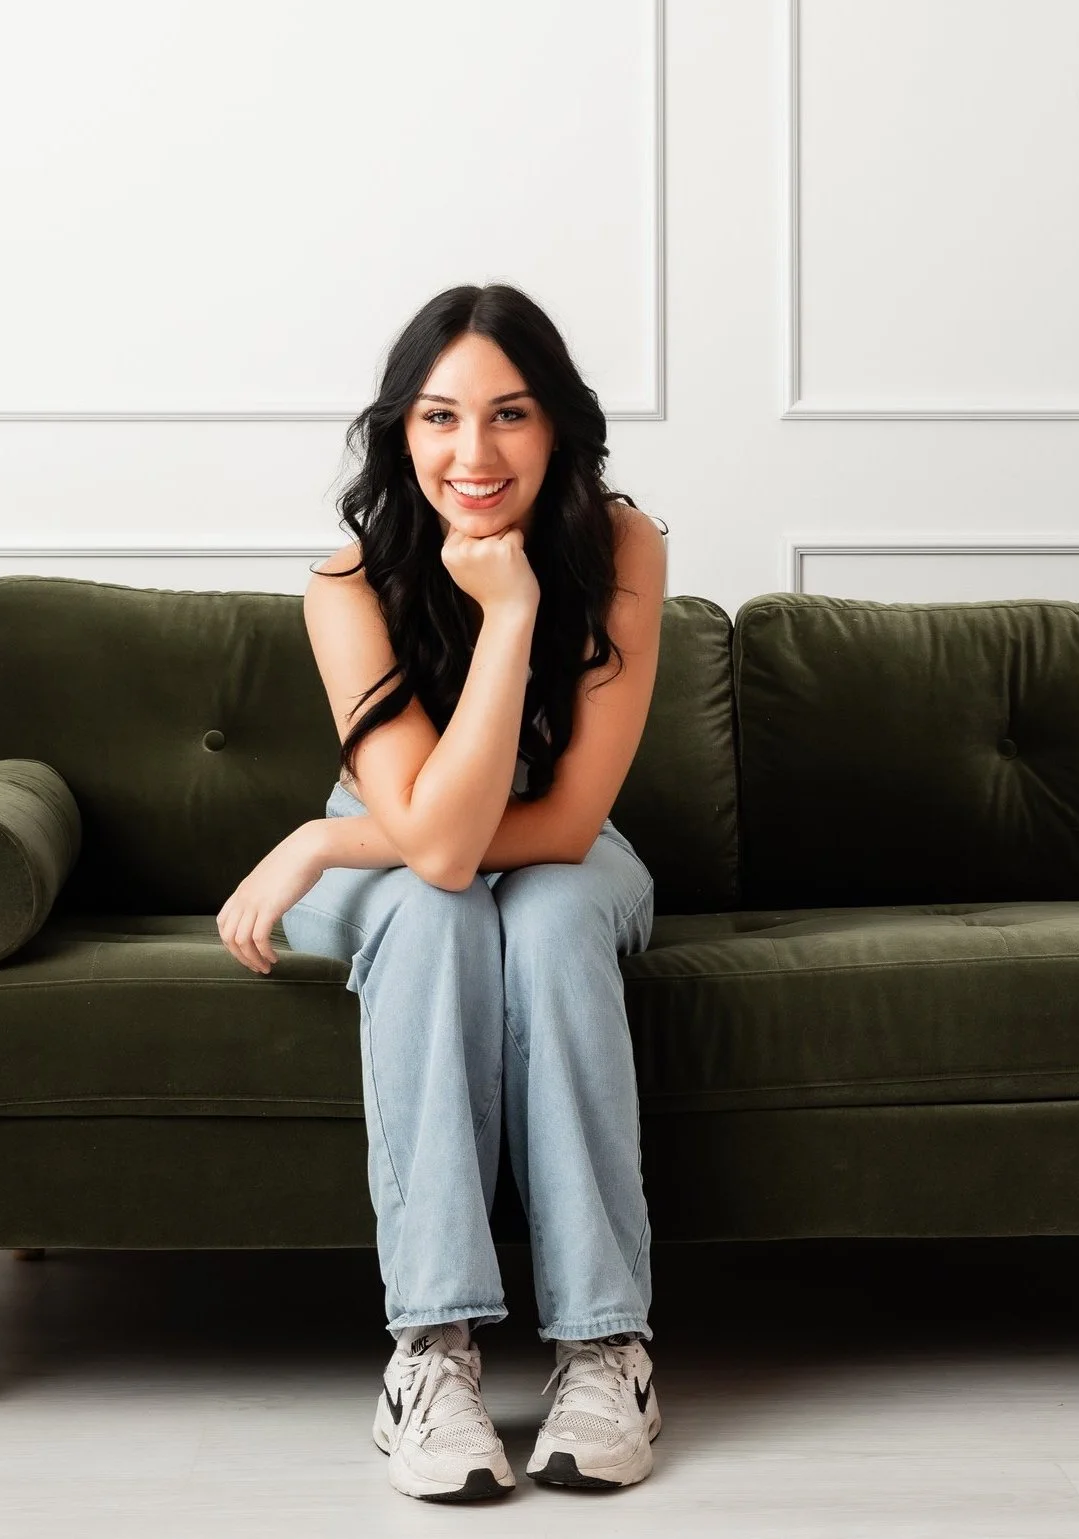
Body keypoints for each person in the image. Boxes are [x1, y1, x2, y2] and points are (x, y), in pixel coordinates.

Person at [214, 283, 669, 1502]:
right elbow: (433, 848)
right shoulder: (348, 582)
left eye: (510, 415)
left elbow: (566, 822)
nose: (474, 454)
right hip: (404, 849)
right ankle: (431, 1352)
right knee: (432, 911)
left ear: (558, 426)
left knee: (558, 908)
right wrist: (364, 835)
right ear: (401, 433)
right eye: (440, 418)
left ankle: (603, 1349)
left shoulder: (624, 544)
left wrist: (315, 845)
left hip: (535, 844)